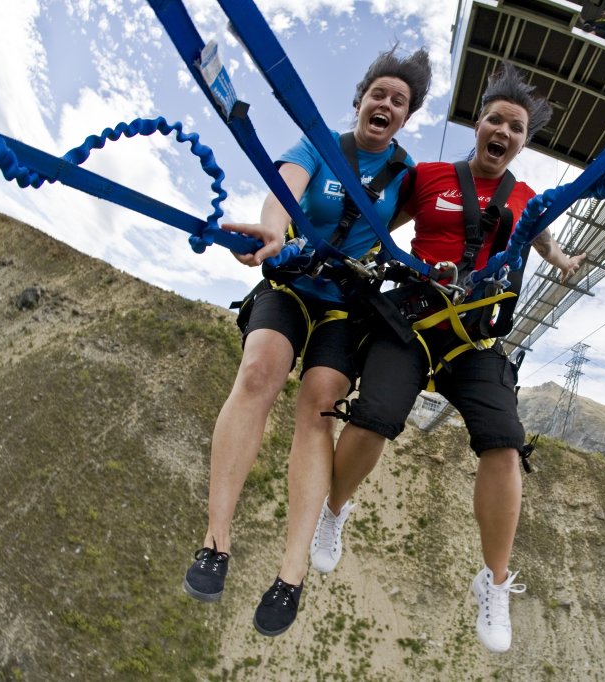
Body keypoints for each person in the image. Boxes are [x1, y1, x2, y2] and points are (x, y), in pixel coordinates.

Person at [309, 63, 585, 653]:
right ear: (478, 125)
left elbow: (540, 236)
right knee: (374, 416)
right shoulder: (429, 176)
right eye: (495, 119)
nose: (503, 131)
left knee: (505, 444)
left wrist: (560, 258)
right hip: (414, 316)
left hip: (475, 335)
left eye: (516, 127)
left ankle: (494, 579)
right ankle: (334, 509)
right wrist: (331, 243)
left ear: (522, 141)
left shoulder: (527, 198)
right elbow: (385, 219)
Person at [181, 46, 433, 639]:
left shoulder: (406, 176)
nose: (387, 104)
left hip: (346, 302)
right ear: (361, 100)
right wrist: (274, 230)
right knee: (259, 371)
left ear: (406, 116)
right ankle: (216, 542)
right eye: (380, 94)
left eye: (399, 101)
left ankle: (291, 574)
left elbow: (427, 223)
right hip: (293, 281)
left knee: (319, 402)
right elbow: (284, 190)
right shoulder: (321, 146)